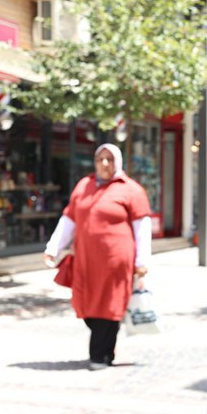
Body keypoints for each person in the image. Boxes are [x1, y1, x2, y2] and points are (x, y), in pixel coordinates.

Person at [44, 143, 152, 371]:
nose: (104, 164)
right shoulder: (84, 186)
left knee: (109, 306)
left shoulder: (131, 190)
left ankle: (100, 356)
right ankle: (103, 349)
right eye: (100, 159)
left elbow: (142, 228)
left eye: (109, 159)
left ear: (118, 162)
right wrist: (53, 247)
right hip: (85, 260)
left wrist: (142, 262)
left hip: (116, 262)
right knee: (85, 303)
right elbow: (69, 220)